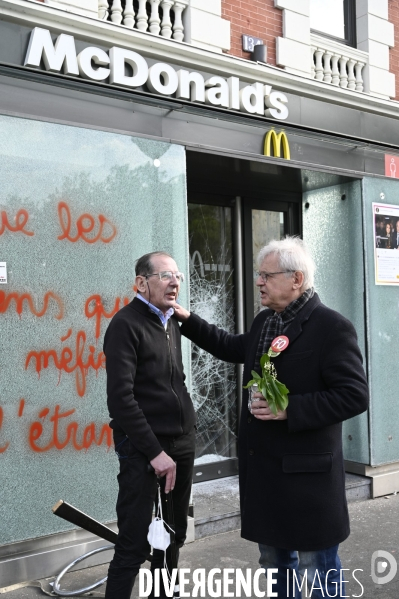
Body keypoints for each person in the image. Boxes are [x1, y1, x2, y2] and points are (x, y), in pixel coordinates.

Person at [174, 237, 369, 598]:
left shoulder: (332, 327)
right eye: (259, 275)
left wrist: (290, 409)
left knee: (318, 573)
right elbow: (233, 346)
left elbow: (354, 396)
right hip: (266, 478)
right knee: (277, 569)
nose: (259, 282)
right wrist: (186, 320)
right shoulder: (267, 320)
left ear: (296, 279)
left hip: (308, 482)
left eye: (266, 275)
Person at [104, 251, 196, 599]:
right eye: (165, 276)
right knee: (133, 542)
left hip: (181, 443)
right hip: (143, 449)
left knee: (172, 537)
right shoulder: (125, 325)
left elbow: (175, 382)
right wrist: (155, 452)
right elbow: (121, 400)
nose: (174, 282)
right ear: (141, 283)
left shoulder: (170, 320)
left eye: (178, 276)